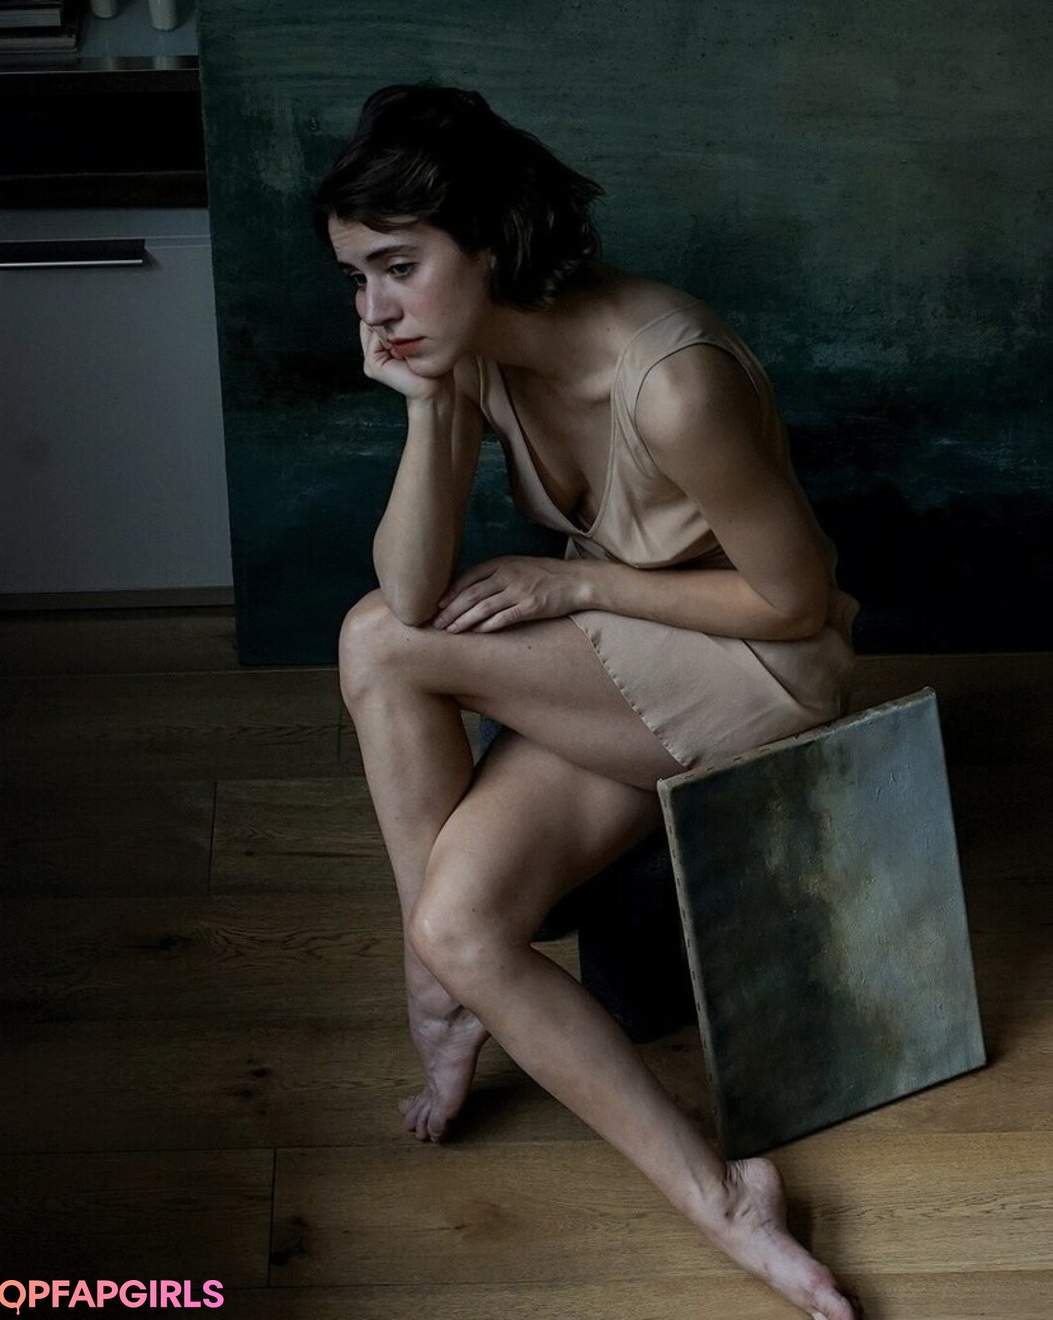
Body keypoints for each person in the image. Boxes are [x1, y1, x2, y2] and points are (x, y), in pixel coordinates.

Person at [314, 84, 861, 1320]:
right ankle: (727, 1201)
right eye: (356, 279)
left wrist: (575, 584)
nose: (374, 312)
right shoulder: (471, 354)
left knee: (375, 649)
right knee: (462, 922)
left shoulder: (673, 382)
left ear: (491, 244)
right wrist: (426, 406)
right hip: (630, 669)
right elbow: (413, 588)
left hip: (758, 668)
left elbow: (796, 601)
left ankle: (431, 1001)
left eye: (398, 268)